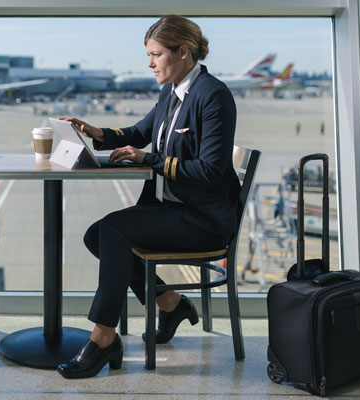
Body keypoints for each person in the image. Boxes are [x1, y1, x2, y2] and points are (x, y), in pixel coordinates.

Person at [56, 15, 240, 379]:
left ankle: (104, 338)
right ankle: (170, 304)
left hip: (202, 219)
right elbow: (140, 132)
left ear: (183, 52)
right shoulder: (171, 91)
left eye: (156, 54)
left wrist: (150, 159)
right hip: (172, 207)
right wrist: (98, 133)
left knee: (112, 231)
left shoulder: (213, 96)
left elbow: (209, 170)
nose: (150, 63)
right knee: (98, 235)